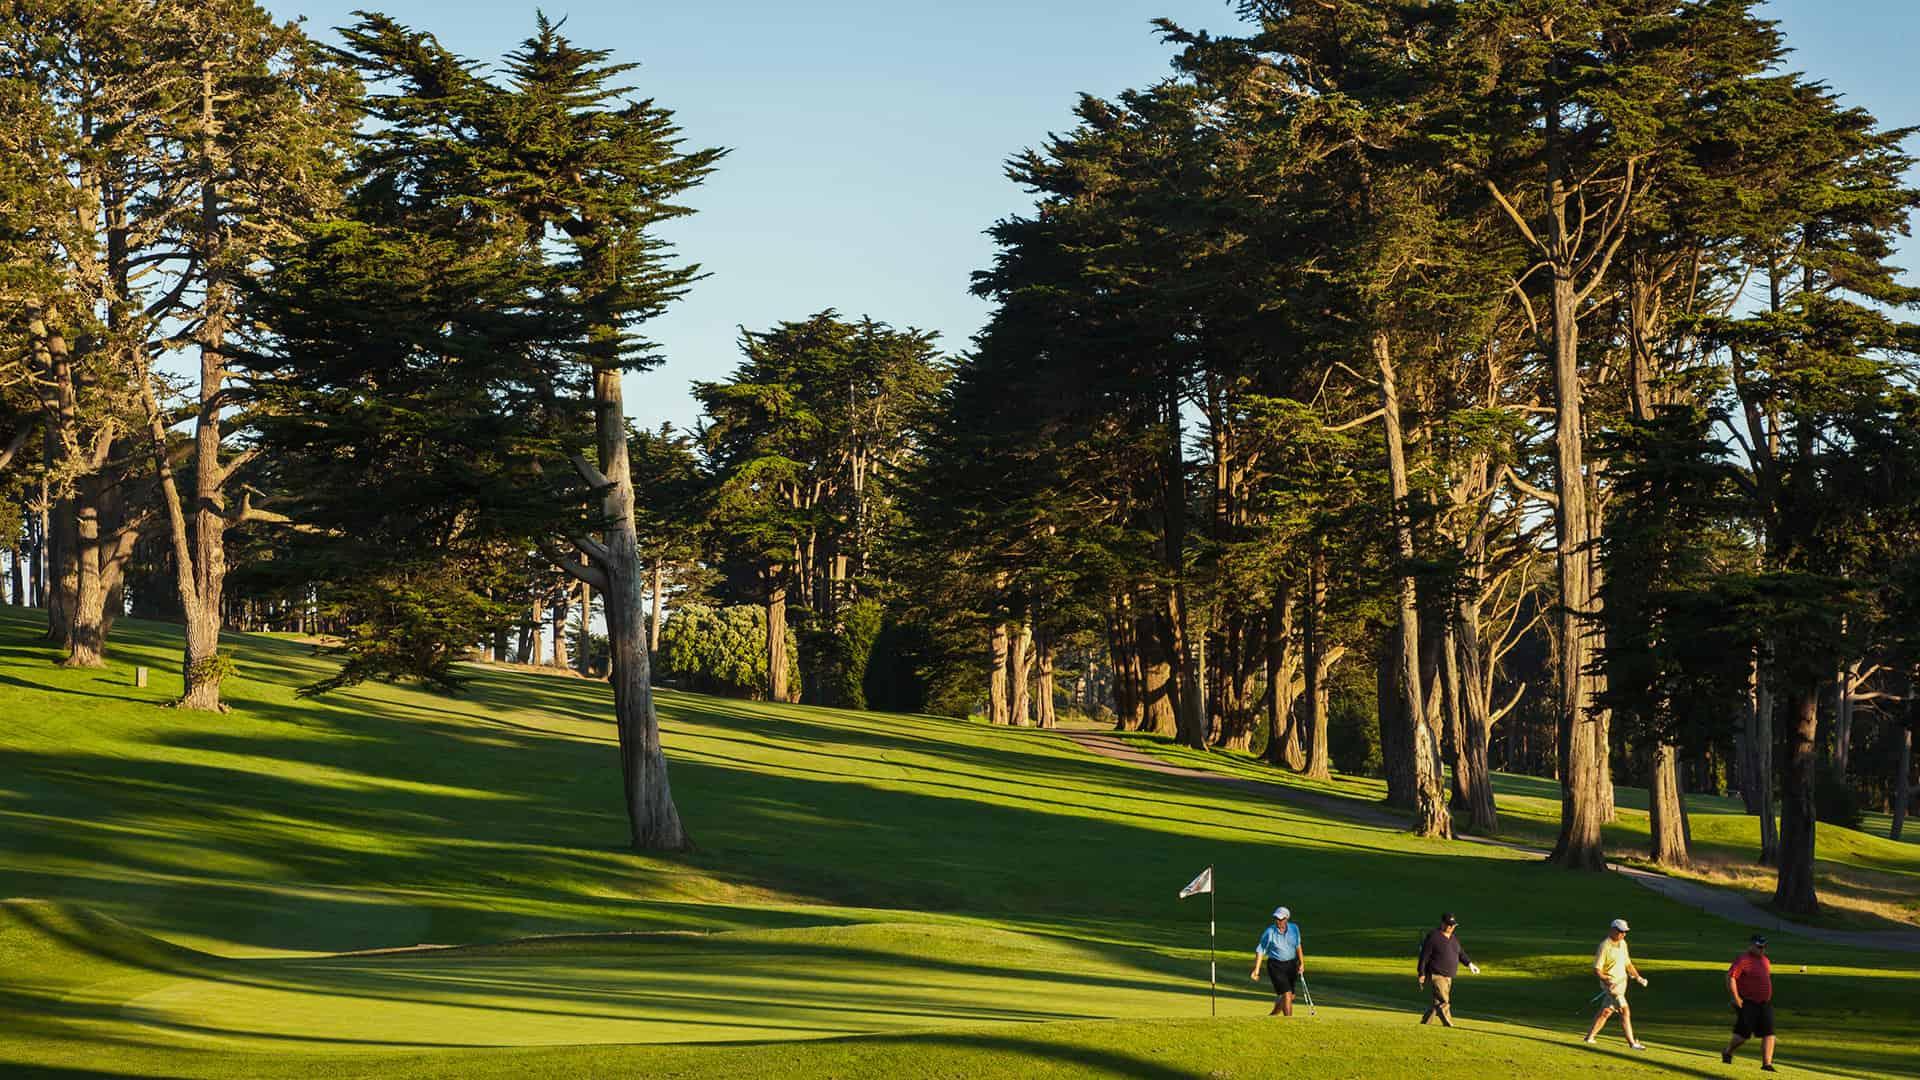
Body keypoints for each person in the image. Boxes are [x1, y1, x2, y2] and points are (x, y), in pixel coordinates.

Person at [1584, 917, 1649, 1050]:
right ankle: (1632, 1043)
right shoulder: (1604, 946)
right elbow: (1597, 969)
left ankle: (1589, 1037)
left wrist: (1638, 977)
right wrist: (1605, 980)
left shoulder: (1623, 943)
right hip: (1611, 986)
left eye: (1625, 932)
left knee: (1606, 1011)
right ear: (1613, 930)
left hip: (1621, 984)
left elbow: (1628, 963)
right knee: (1625, 1010)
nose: (1623, 934)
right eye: (1620, 931)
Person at [1723, 934, 1777, 1072]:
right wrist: (1736, 998)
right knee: (1742, 1035)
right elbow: (1731, 977)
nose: (1762, 950)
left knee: (1769, 1033)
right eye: (1759, 947)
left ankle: (1767, 1064)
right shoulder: (1743, 960)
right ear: (1751, 946)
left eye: (1764, 947)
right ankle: (1728, 1051)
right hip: (1748, 1002)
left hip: (1765, 1003)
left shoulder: (1765, 960)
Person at [1416, 912, 1481, 1026]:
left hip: (1448, 976)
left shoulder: (1453, 938)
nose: (1451, 927)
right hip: (1436, 974)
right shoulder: (1433, 936)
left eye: (1453, 925)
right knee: (1443, 1002)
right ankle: (1449, 1024)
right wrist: (1421, 973)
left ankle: (1425, 1023)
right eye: (1449, 925)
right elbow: (1424, 956)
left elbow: (1460, 953)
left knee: (1436, 1003)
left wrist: (1470, 964)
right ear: (1442, 924)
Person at [1249, 906, 1305, 1016]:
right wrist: (1256, 970)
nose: (1278, 921)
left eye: (1281, 919)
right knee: (1287, 994)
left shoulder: (1294, 929)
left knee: (1290, 996)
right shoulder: (1270, 932)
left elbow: (1298, 946)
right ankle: (1288, 1022)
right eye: (1276, 918)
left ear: (1287, 919)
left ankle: (1273, 1016)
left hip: (1291, 965)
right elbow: (1260, 950)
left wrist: (1302, 963)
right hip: (1276, 965)